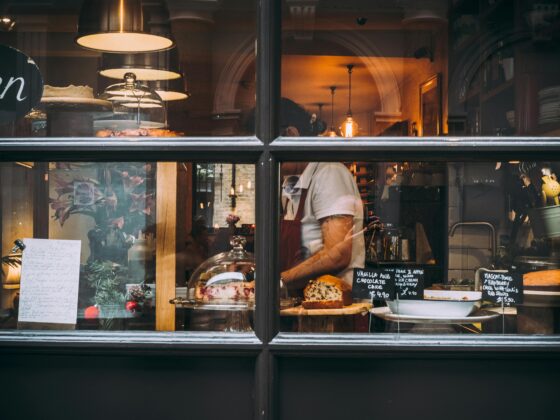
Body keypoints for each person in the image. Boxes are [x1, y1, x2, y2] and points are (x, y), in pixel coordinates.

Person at [279, 162, 365, 291]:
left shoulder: (330, 174)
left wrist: (279, 281)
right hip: (299, 301)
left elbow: (337, 255)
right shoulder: (291, 181)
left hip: (335, 303)